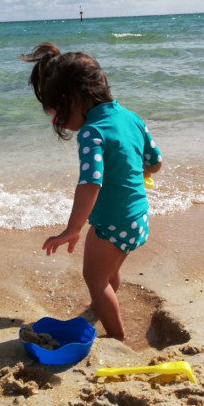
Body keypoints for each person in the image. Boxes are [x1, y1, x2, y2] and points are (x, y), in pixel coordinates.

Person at [21, 42, 162, 341]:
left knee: (94, 279)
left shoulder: (91, 132)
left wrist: (72, 229)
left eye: (57, 113)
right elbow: (156, 162)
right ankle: (103, 303)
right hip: (138, 217)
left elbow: (90, 182)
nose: (59, 122)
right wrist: (140, 173)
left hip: (112, 223)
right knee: (108, 272)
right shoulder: (131, 117)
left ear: (73, 99)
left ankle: (116, 337)